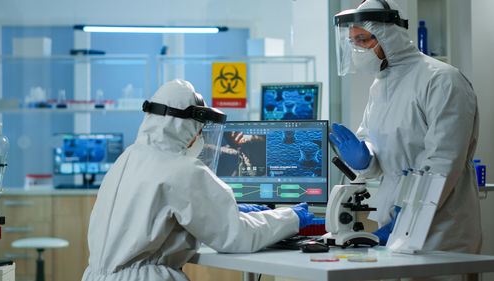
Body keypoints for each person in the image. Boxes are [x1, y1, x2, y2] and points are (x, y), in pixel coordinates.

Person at [81, 79, 314, 281]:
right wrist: (291, 217)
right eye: (199, 129)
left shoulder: (126, 159)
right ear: (186, 126)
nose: (199, 137)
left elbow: (151, 218)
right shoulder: (181, 169)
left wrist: (226, 210)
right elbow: (237, 237)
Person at [329, 0, 481, 274]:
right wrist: (366, 159)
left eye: (363, 39)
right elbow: (381, 151)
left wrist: (411, 213)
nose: (357, 49)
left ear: (388, 34)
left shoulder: (442, 80)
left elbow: (444, 161)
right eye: (353, 42)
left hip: (441, 228)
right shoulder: (381, 86)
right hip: (394, 222)